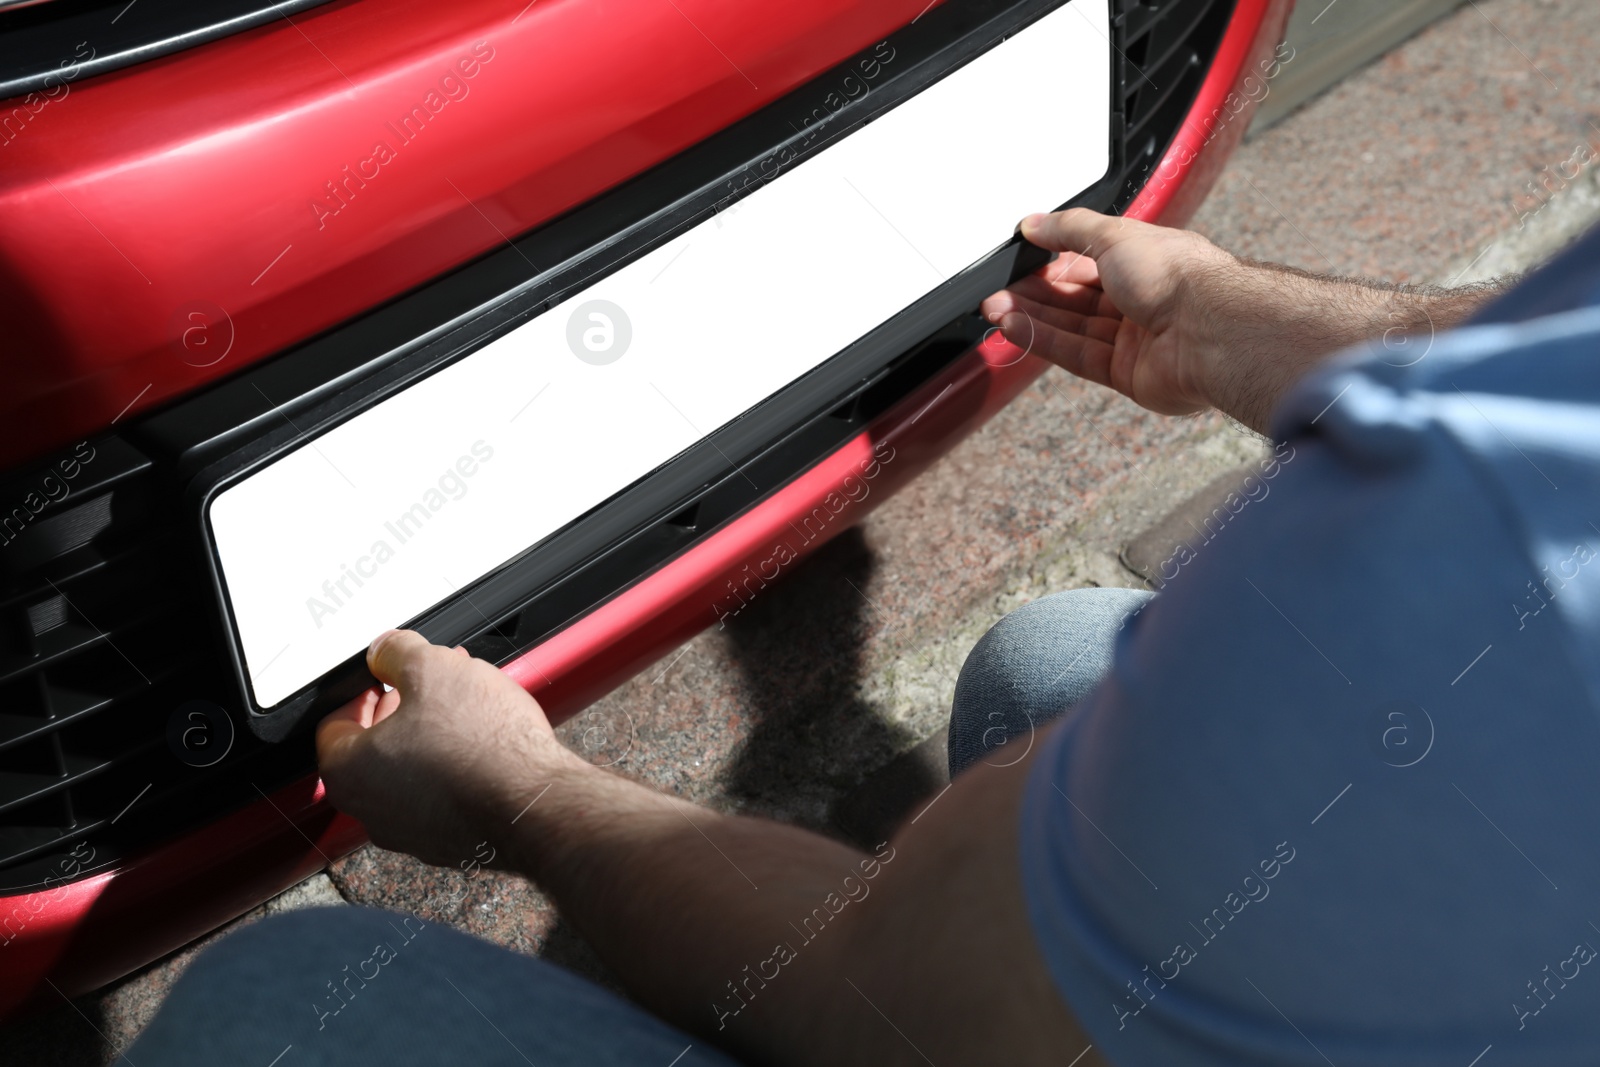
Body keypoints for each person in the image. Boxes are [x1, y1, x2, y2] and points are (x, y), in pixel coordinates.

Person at [130, 207, 1600, 1067]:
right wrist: (1226, 315)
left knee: (285, 1014)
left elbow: (874, 986)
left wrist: (523, 791)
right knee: (1054, 664)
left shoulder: (1463, 635)